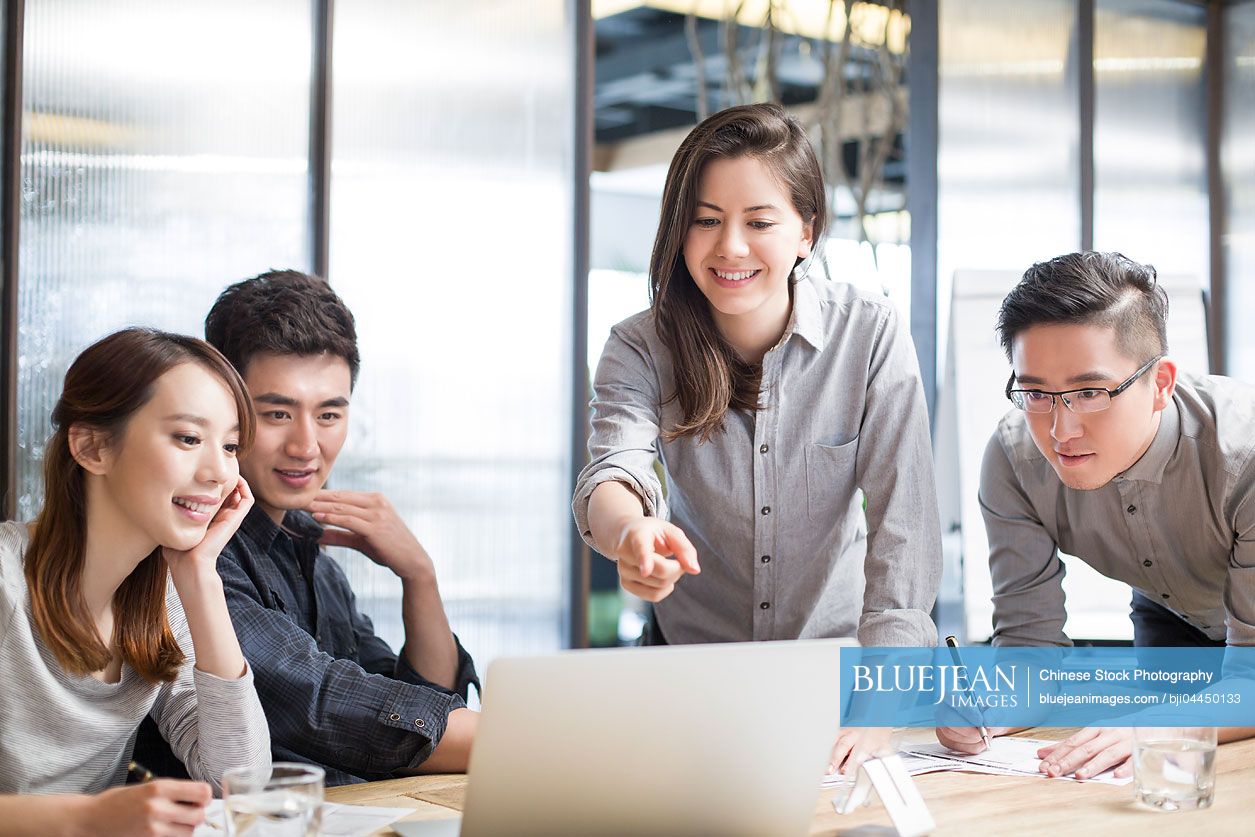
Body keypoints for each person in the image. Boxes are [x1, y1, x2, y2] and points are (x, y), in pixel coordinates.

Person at [572, 103, 942, 775]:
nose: (729, 247)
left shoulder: (869, 335)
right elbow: (613, 470)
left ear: (806, 230)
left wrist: (881, 702)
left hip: (834, 685)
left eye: (759, 222)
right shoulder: (638, 345)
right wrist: (630, 532)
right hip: (688, 681)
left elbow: (904, 527)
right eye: (705, 220)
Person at [938, 251, 1255, 778]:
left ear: (1160, 384)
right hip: (1172, 615)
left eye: (1090, 392)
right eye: (1036, 392)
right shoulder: (1015, 458)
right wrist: (989, 711)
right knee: (1152, 781)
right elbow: (1029, 648)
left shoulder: (1243, 454)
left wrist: (1155, 723)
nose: (1061, 431)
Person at [201, 270, 477, 785]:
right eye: (278, 413)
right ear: (226, 408)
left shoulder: (311, 549)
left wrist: (419, 575)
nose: (306, 446)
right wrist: (525, 743)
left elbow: (421, 704)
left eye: (329, 416)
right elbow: (320, 702)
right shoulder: (198, 551)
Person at [0, 328, 270, 836]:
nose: (221, 472)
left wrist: (200, 577)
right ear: (93, 447)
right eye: (189, 438)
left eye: (231, 446)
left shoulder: (163, 602)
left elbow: (241, 782)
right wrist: (90, 819)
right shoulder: (4, 580)